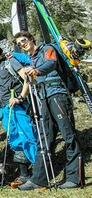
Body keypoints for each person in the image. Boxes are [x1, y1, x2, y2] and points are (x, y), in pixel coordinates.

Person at [13, 31, 84, 191]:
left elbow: (51, 63)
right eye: (19, 44)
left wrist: (37, 71)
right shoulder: (32, 59)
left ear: (31, 38)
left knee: (68, 135)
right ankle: (39, 179)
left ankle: (75, 178)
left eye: (23, 40)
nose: (22, 44)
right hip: (42, 97)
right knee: (45, 137)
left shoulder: (47, 49)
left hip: (57, 95)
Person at [0, 41, 37, 188]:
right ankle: (25, 175)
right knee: (14, 139)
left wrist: (21, 97)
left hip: (18, 106)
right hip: (4, 108)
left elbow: (27, 78)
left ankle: (39, 174)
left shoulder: (10, 61)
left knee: (28, 137)